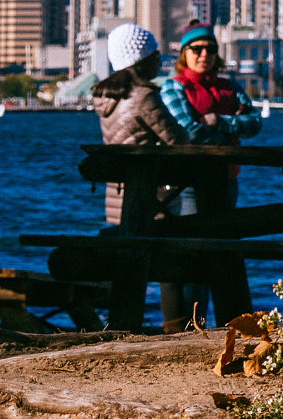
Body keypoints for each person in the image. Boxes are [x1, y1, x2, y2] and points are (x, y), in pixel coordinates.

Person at [159, 25, 262, 330]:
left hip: (227, 178)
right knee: (194, 249)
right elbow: (186, 129)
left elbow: (255, 123)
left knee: (223, 247)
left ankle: (229, 324)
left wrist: (218, 121)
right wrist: (232, 126)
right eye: (196, 49)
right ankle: (194, 326)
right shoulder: (174, 87)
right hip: (188, 183)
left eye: (210, 49)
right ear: (184, 54)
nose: (204, 54)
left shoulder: (229, 86)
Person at [89, 23, 184, 226]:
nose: (159, 60)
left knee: (123, 249)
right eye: (155, 54)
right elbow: (177, 138)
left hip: (117, 193)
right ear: (142, 59)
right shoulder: (143, 96)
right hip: (150, 197)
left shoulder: (105, 95)